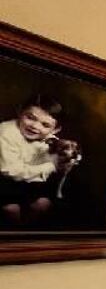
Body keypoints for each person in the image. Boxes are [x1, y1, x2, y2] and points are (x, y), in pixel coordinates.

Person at [0, 95, 74, 226]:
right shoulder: (6, 132)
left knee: (43, 204)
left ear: (55, 130)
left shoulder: (49, 138)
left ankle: (28, 231)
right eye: (30, 118)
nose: (34, 126)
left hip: (25, 180)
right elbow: (10, 171)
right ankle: (14, 233)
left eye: (45, 125)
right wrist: (52, 166)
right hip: (4, 179)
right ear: (20, 112)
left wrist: (63, 157)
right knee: (11, 209)